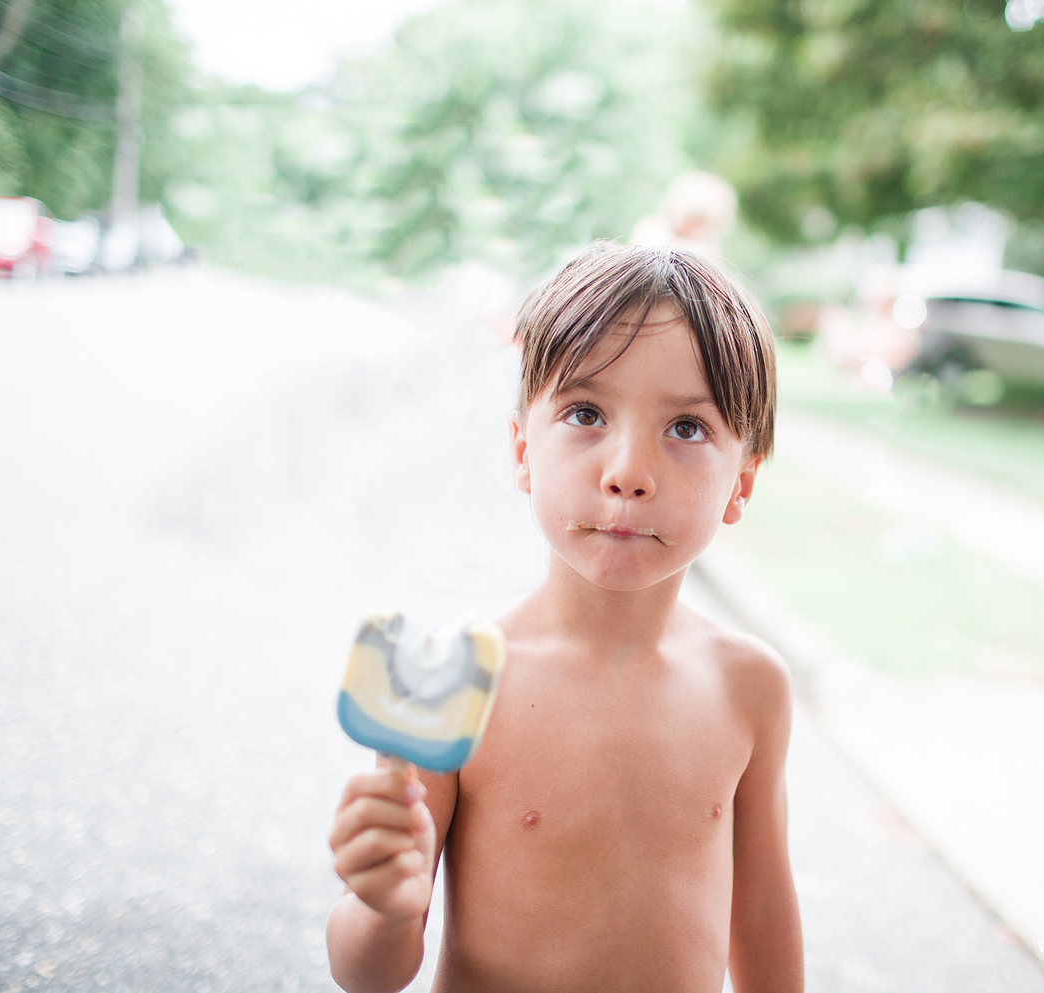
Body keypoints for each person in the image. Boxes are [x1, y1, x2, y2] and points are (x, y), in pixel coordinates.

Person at [325, 243, 804, 993]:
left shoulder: (751, 687)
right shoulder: (461, 683)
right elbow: (370, 973)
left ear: (740, 482)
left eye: (686, 428)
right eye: (585, 413)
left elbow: (766, 909)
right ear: (523, 450)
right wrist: (384, 905)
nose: (628, 473)